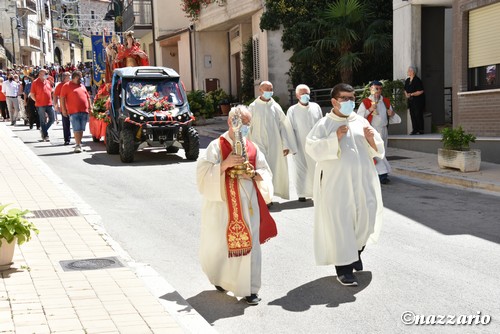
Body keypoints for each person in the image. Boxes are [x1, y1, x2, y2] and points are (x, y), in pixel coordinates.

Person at [305, 83, 385, 287]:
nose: (350, 102)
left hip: (363, 182)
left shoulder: (359, 121)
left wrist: (371, 139)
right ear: (334, 101)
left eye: (352, 98)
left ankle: (355, 252)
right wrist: (335, 138)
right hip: (336, 185)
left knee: (365, 221)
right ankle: (344, 269)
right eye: (345, 98)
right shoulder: (324, 124)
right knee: (341, 225)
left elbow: (378, 150)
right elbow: (312, 149)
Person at [196, 105, 277, 305]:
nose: (244, 127)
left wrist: (253, 173)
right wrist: (224, 164)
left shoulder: (253, 147)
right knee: (221, 245)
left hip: (249, 205)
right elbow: (202, 174)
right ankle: (222, 279)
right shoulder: (216, 145)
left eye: (248, 123)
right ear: (230, 122)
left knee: (251, 246)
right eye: (241, 122)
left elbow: (265, 172)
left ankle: (250, 289)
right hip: (223, 205)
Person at [248, 81, 297, 201]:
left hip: (275, 145)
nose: (270, 91)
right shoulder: (253, 107)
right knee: (261, 170)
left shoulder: (276, 107)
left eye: (271, 89)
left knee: (273, 171)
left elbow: (283, 127)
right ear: (260, 90)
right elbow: (248, 127)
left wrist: (286, 145)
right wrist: (247, 146)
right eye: (267, 89)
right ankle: (263, 198)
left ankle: (269, 196)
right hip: (258, 144)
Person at [357, 80, 401, 184]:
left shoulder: (385, 101)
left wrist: (392, 113)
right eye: (376, 88)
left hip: (384, 129)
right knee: (376, 152)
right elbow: (358, 118)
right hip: (372, 130)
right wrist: (369, 110)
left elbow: (393, 117)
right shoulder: (366, 102)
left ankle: (378, 174)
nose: (378, 91)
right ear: (371, 89)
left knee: (383, 151)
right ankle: (382, 175)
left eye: (380, 89)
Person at [286, 84, 323, 202]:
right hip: (299, 143)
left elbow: (321, 124)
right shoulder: (292, 110)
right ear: (297, 95)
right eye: (302, 94)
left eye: (307, 93)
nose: (305, 96)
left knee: (316, 168)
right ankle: (301, 193)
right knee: (300, 169)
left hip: (315, 143)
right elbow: (289, 129)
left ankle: (317, 191)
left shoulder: (316, 107)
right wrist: (290, 146)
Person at [60, 71, 92, 153]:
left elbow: (87, 97)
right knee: (76, 128)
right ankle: (77, 145)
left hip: (84, 111)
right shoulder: (66, 86)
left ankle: (79, 144)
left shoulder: (82, 86)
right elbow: (62, 98)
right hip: (73, 111)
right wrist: (63, 109)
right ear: (74, 77)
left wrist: (90, 107)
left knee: (81, 129)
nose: (81, 79)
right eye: (79, 77)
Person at [29, 68, 55, 141]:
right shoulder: (35, 82)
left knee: (52, 119)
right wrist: (37, 101)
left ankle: (43, 131)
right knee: (42, 120)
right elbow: (32, 94)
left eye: (46, 73)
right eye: (44, 73)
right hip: (40, 104)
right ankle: (45, 135)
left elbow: (51, 91)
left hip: (49, 103)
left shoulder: (48, 81)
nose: (46, 75)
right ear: (40, 74)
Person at [404, 66, 425, 135]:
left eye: (408, 71)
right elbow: (405, 89)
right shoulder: (407, 80)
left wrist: (411, 94)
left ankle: (421, 129)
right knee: (412, 115)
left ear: (412, 72)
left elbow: (421, 91)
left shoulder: (417, 80)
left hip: (417, 101)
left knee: (418, 114)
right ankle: (414, 129)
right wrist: (406, 94)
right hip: (410, 101)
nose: (407, 72)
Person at [53, 72, 72, 145]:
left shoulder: (72, 84)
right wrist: (55, 104)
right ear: (64, 78)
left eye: (70, 76)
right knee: (66, 124)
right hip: (64, 108)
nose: (70, 77)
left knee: (75, 124)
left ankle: (77, 139)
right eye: (68, 76)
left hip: (73, 107)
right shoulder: (60, 86)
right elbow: (55, 95)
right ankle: (67, 139)